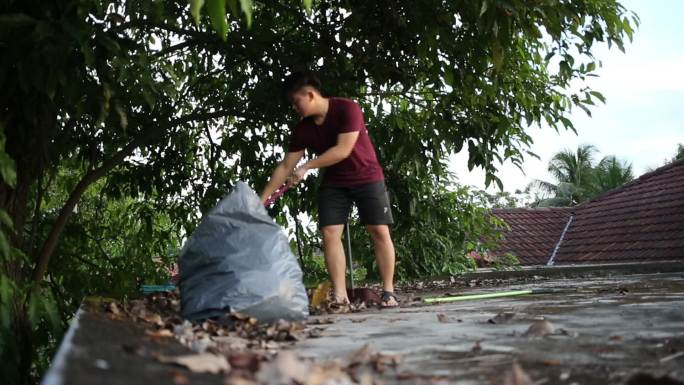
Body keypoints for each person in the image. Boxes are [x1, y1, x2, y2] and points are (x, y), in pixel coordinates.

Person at [260, 72, 399, 308]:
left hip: (367, 175)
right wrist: (261, 200)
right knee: (329, 234)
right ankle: (341, 295)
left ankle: (388, 291)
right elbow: (285, 166)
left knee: (378, 230)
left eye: (296, 102)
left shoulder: (347, 109)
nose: (295, 108)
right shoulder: (303, 129)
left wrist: (306, 167)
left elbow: (343, 150)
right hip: (335, 182)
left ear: (310, 94)